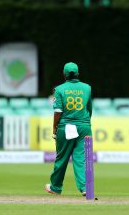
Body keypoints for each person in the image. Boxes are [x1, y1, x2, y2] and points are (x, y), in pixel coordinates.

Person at [45, 62, 92, 196]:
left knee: (62, 158)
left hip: (66, 127)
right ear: (78, 73)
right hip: (84, 126)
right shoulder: (87, 88)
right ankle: (85, 188)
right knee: (81, 158)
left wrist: (54, 128)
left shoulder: (59, 89)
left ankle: (56, 187)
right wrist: (86, 124)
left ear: (64, 74)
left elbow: (58, 111)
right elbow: (89, 109)